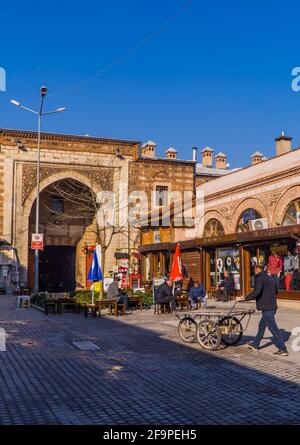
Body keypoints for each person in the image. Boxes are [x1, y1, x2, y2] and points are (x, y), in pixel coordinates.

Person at [245, 264, 288, 356]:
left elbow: (257, 291)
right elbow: (276, 291)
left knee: (274, 329)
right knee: (261, 326)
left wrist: (246, 298)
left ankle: (283, 349)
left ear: (257, 269)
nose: (254, 272)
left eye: (254, 270)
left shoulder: (260, 278)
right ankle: (255, 344)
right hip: (272, 306)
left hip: (267, 308)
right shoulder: (270, 278)